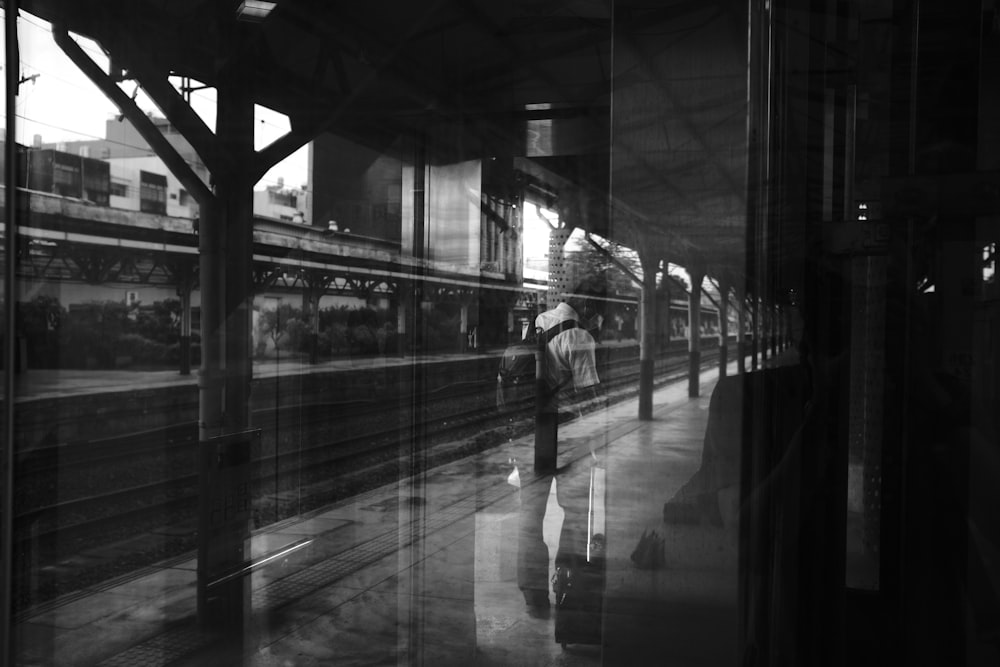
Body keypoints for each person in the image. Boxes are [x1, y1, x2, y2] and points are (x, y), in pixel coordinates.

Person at [517, 278, 605, 616]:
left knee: (530, 517)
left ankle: (533, 596)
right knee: (577, 512)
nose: (599, 317)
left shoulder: (539, 321)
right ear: (587, 306)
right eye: (598, 310)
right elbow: (590, 397)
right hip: (566, 438)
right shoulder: (580, 337)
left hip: (531, 434)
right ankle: (567, 589)